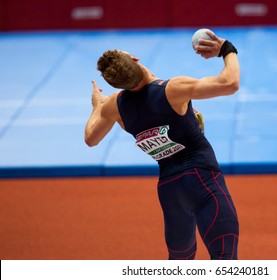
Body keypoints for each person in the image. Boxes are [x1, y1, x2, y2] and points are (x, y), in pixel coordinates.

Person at [84, 30, 240, 260]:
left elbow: (91, 138)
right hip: (202, 181)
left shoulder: (114, 107)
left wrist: (97, 105)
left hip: (170, 191)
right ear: (135, 60)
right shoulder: (172, 90)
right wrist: (227, 49)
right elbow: (230, 83)